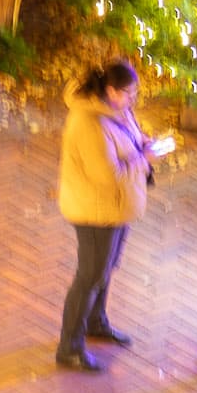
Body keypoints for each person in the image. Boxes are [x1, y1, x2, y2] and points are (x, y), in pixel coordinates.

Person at [53, 58, 155, 372]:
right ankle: (69, 347)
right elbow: (105, 176)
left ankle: (96, 323)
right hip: (94, 210)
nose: (133, 99)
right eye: (128, 93)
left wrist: (143, 144)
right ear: (110, 90)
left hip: (115, 205)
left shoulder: (117, 109)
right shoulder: (88, 123)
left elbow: (129, 142)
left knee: (106, 268)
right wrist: (144, 158)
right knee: (90, 276)